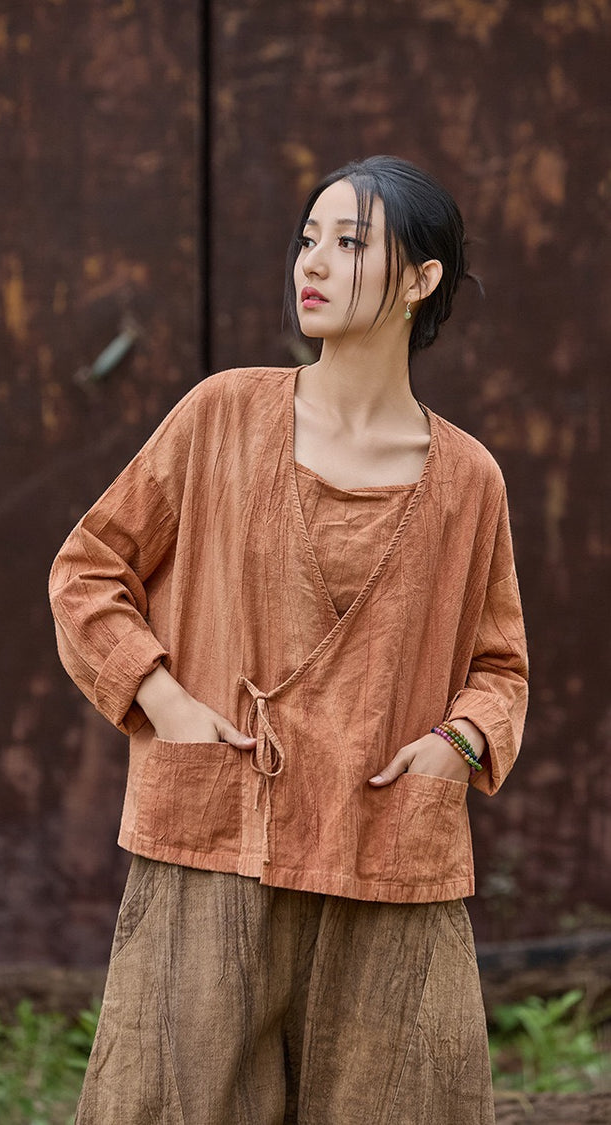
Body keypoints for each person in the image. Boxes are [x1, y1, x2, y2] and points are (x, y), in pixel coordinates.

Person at [49, 155, 528, 1124]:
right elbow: (88, 571)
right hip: (215, 836)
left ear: (420, 279)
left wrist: (459, 743)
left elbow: (499, 665)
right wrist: (164, 700)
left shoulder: (468, 478)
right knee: (175, 1101)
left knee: (403, 1102)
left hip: (386, 855)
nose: (312, 262)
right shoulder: (222, 416)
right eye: (309, 239)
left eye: (349, 243)